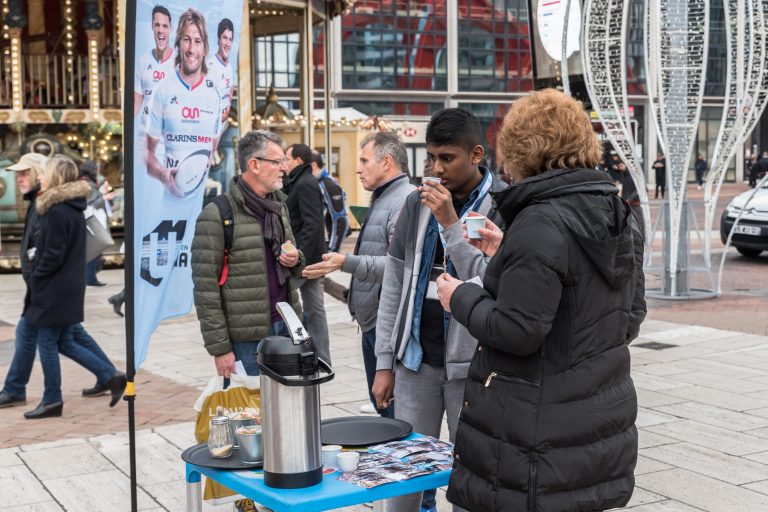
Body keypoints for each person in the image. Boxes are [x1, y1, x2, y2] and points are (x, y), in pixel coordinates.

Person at [436, 89, 645, 511]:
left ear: (521, 148)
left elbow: (517, 330)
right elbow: (628, 316)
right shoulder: (615, 209)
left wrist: (461, 296)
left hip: (537, 430)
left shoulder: (539, 220)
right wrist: (507, 255)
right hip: (596, 419)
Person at [372, 108, 507, 512]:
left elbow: (494, 280)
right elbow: (394, 283)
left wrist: (450, 219)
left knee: (471, 475)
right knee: (404, 475)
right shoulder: (416, 205)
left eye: (447, 158)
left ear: (477, 154)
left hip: (476, 367)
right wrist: (384, 362)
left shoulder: (502, 204)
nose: (436, 168)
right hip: (416, 360)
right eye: (431, 158)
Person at [302, 132, 415, 419]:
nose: (358, 168)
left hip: (385, 325)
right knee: (383, 413)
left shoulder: (403, 201)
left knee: (393, 419)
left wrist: (345, 262)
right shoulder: (384, 197)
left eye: (364, 160)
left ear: (387, 162)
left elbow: (400, 268)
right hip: (371, 322)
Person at [192, 130, 304, 379]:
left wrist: (296, 259)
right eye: (277, 162)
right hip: (247, 339)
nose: (284, 168)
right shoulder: (217, 213)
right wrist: (220, 349)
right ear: (254, 164)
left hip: (287, 325)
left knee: (288, 409)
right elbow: (205, 289)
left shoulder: (278, 206)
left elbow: (295, 260)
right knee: (252, 415)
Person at [24, 155, 127, 419]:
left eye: (44, 174)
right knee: (65, 341)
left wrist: (36, 274)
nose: (41, 178)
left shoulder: (56, 211)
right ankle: (110, 377)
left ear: (56, 176)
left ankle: (52, 399)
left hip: (52, 288)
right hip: (66, 286)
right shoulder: (70, 207)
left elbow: (52, 254)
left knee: (48, 343)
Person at [144, 8, 221, 197]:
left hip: (200, 201)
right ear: (178, 43)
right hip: (166, 200)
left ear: (205, 48)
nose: (191, 49)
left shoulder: (214, 95)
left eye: (197, 42)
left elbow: (211, 150)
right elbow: (147, 154)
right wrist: (164, 175)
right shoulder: (163, 90)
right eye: (186, 40)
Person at [0, 153, 49, 409]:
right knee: (72, 336)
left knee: (28, 333)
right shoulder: (35, 201)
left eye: (23, 173)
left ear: (36, 173)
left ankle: (16, 389)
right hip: (40, 284)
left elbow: (46, 248)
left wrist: (34, 275)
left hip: (44, 286)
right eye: (17, 174)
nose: (18, 179)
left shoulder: (43, 203)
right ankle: (109, 375)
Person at [283, 143, 331, 365]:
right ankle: (321, 357)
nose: (284, 162)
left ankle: (314, 355)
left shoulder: (304, 184)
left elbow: (313, 224)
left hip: (306, 261)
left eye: (287, 158)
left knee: (285, 302)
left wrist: (299, 260)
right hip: (308, 258)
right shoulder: (299, 181)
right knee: (314, 308)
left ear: (298, 161)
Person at [133, 5, 174, 122]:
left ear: (170, 29)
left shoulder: (180, 62)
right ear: (152, 26)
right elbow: (136, 104)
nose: (161, 30)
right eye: (157, 25)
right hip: (146, 137)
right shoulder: (143, 60)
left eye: (165, 26)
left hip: (170, 138)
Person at [310, 150, 350, 253]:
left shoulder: (328, 184)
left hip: (325, 246)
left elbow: (340, 219)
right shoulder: (316, 182)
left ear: (313, 165)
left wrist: (332, 250)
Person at [80, 161, 108, 287]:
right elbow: (93, 202)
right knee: (94, 250)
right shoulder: (88, 184)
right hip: (91, 220)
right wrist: (104, 197)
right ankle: (90, 278)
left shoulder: (83, 181)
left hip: (88, 220)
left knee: (92, 250)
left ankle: (89, 277)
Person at [206, 18, 234, 122]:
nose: (228, 43)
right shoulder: (210, 66)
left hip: (223, 125)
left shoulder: (229, 67)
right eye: (225, 38)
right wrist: (218, 119)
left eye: (230, 39)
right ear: (218, 38)